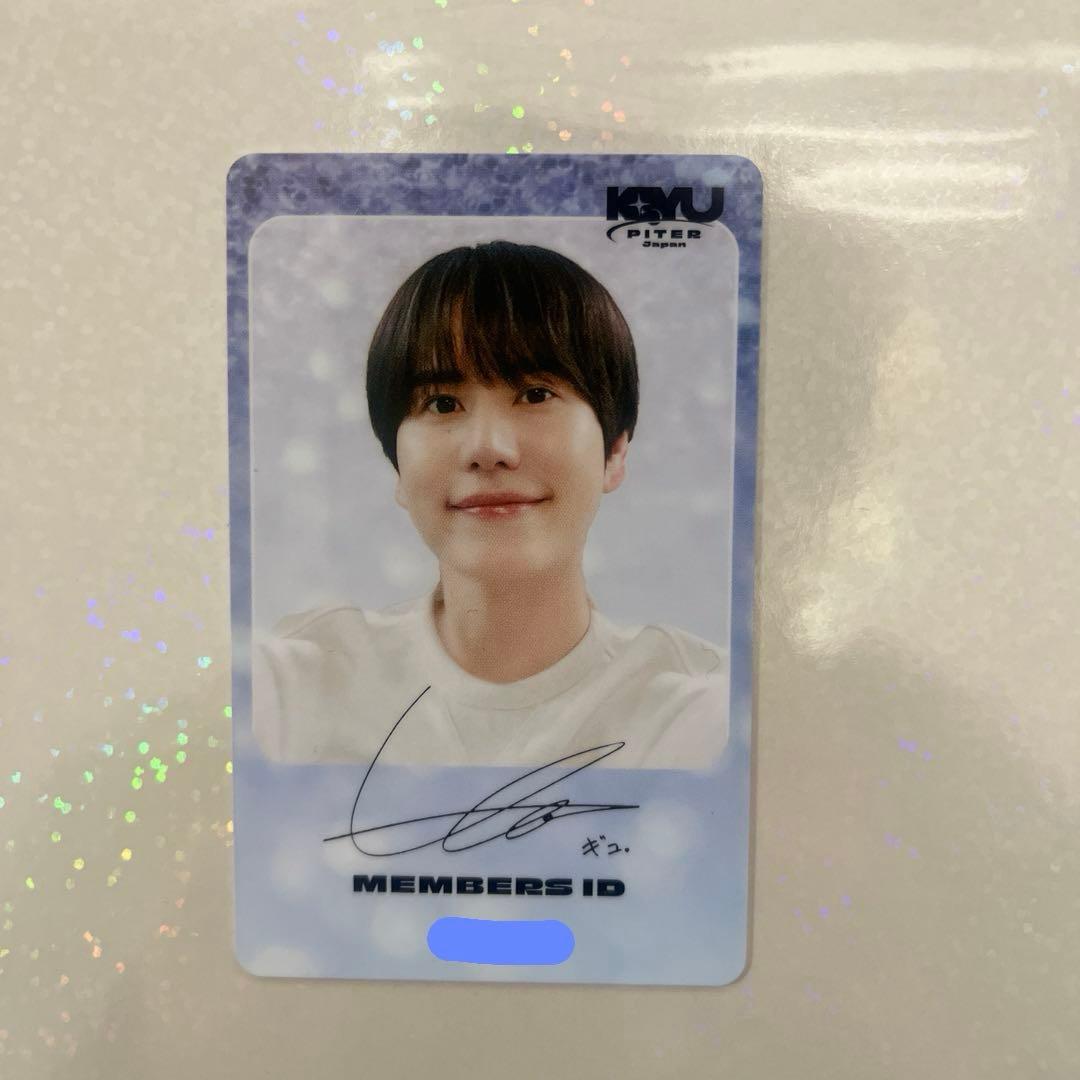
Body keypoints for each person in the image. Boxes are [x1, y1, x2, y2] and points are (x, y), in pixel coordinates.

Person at [252, 240, 728, 769]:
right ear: (398, 469)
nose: (488, 449)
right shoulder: (293, 689)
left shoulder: (701, 709)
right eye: (442, 403)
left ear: (614, 451)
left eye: (535, 394)